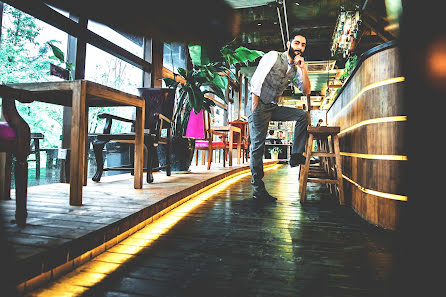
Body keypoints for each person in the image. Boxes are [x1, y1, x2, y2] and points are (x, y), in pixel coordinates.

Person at [246, 31, 311, 202]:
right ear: (289, 44)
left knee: (302, 115)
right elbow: (257, 78)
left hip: (273, 107)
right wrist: (254, 105)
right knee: (258, 147)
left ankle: (296, 155)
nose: (300, 47)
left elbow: (306, 91)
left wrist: (304, 70)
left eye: (303, 45)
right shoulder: (273, 56)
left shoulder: (295, 69)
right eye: (297, 43)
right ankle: (258, 189)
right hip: (259, 105)